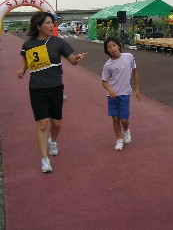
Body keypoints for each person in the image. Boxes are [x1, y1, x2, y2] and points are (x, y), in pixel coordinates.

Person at [17, 11, 87, 173]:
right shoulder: (28, 44)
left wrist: (77, 59)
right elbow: (26, 59)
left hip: (55, 87)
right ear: (39, 26)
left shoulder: (58, 43)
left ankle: (53, 141)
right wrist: (21, 71)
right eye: (48, 23)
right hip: (37, 88)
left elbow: (72, 61)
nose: (51, 25)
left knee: (56, 123)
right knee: (42, 124)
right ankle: (44, 160)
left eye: (52, 23)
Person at [102, 36, 141, 151]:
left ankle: (126, 130)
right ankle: (119, 139)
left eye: (114, 45)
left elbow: (135, 72)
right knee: (115, 119)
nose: (112, 49)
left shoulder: (129, 57)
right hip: (113, 96)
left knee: (124, 119)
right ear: (107, 51)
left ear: (119, 46)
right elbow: (104, 82)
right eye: (109, 47)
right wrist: (110, 90)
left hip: (125, 94)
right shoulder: (108, 65)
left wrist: (137, 89)